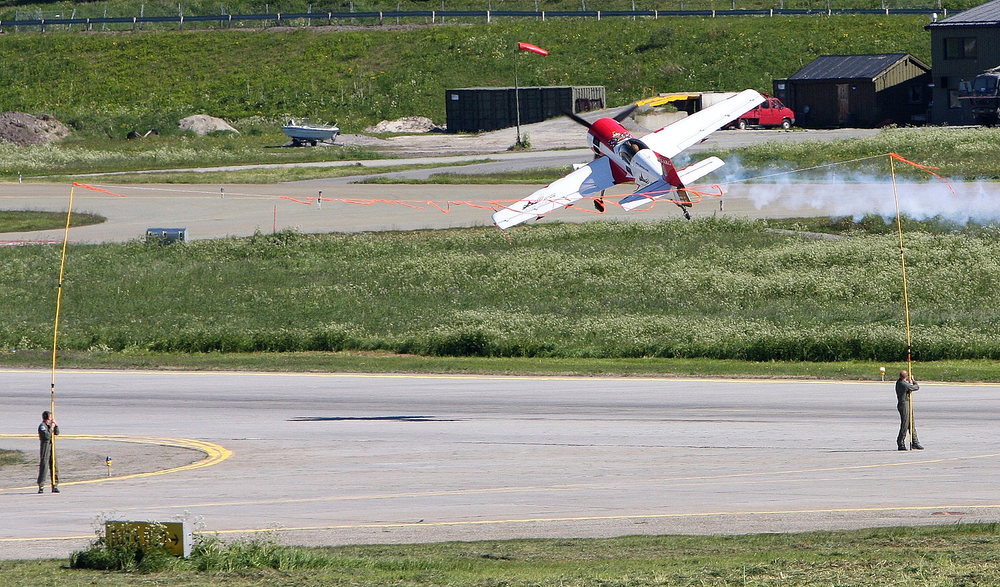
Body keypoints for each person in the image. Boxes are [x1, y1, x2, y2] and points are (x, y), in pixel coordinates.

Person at [895, 370, 923, 451]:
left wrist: (909, 382)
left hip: (907, 403)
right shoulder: (902, 384)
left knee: (911, 423)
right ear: (906, 376)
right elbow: (916, 387)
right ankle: (900, 443)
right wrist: (914, 381)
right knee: (905, 424)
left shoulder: (902, 382)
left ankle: (915, 442)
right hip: (904, 404)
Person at [37, 411, 59, 493]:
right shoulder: (42, 426)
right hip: (45, 447)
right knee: (44, 466)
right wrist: (51, 428)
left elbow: (57, 432)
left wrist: (55, 425)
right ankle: (41, 485)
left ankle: (55, 484)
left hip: (52, 446)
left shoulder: (50, 425)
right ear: (48, 418)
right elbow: (46, 436)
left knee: (54, 465)